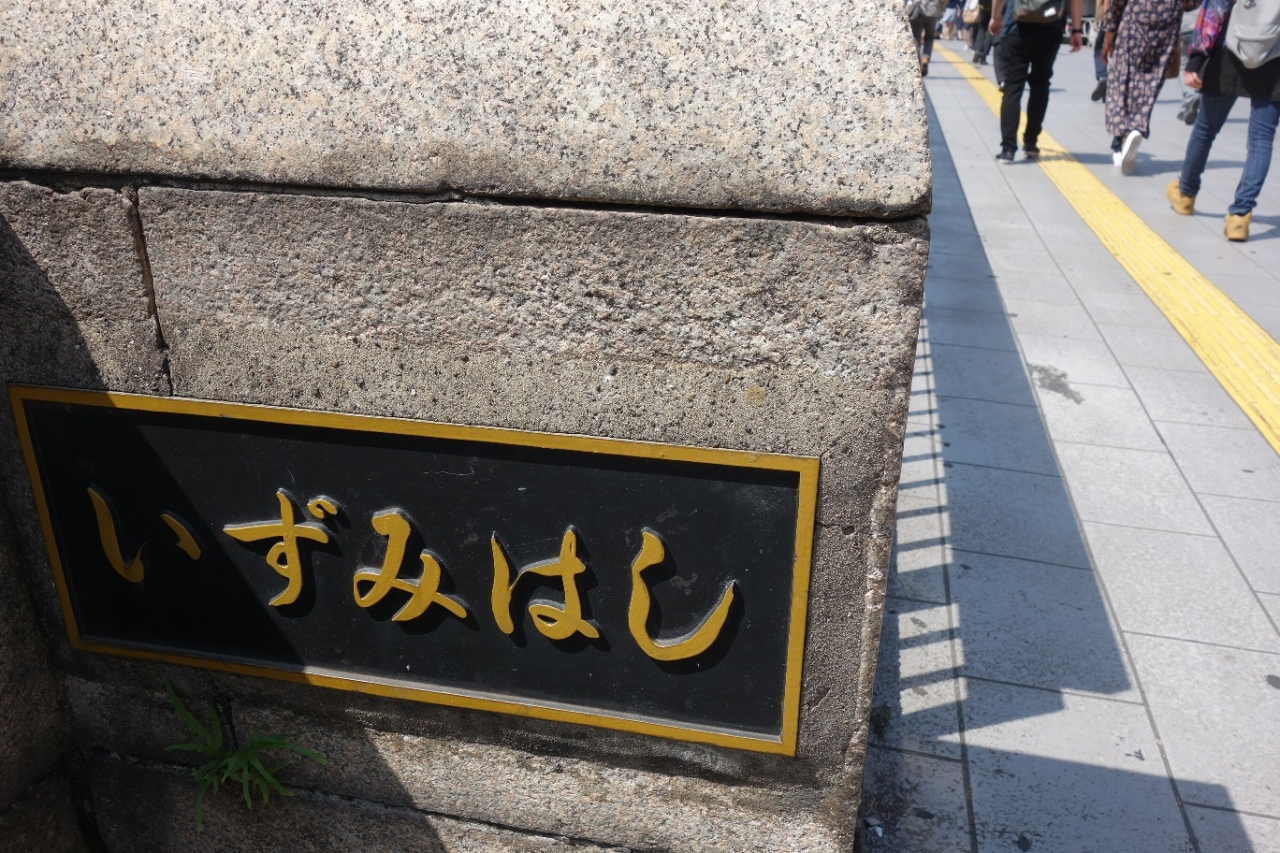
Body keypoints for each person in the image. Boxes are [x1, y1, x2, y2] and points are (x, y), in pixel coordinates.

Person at [1168, 0, 1280, 241]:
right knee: (1261, 139)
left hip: (1228, 54)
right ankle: (1240, 216)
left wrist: (1196, 60)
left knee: (1205, 129)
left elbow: (1215, 10)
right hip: (1275, 60)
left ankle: (1185, 194)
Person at [991, 0, 1086, 162]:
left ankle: (1008, 149)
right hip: (1051, 27)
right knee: (1041, 84)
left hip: (1015, 26)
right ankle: (1030, 143)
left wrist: (995, 16)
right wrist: (1076, 30)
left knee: (1013, 87)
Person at [1099, 0, 1187, 173]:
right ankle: (1137, 127)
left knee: (1121, 84)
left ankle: (1119, 143)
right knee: (1149, 88)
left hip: (1133, 28)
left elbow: (1116, 4)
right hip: (1166, 36)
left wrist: (1108, 38)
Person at [910, 0, 950, 76]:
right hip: (933, 11)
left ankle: (917, 58)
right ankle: (926, 57)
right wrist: (942, 7)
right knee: (929, 37)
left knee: (916, 38)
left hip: (919, 10)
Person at [1092, 0, 1112, 100]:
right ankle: (1109, 90)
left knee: (1099, 49)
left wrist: (1097, 19)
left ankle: (1103, 76)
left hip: (1109, 18)